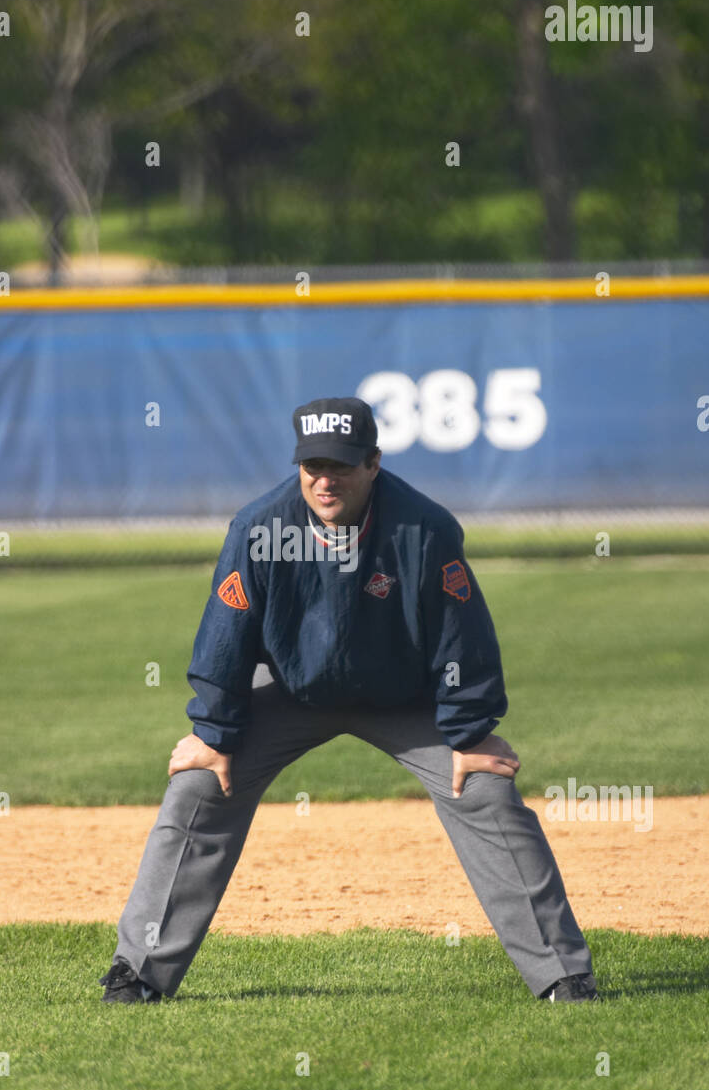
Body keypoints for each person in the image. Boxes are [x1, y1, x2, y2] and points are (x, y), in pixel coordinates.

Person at [100, 396, 598, 1005]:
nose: (324, 479)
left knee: (485, 788)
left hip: (400, 697)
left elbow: (461, 635)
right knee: (199, 786)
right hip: (292, 689)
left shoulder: (424, 528)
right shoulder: (260, 528)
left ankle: (562, 975)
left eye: (340, 465)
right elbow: (225, 638)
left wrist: (469, 733)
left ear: (374, 464)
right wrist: (213, 733)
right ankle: (139, 973)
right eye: (312, 465)